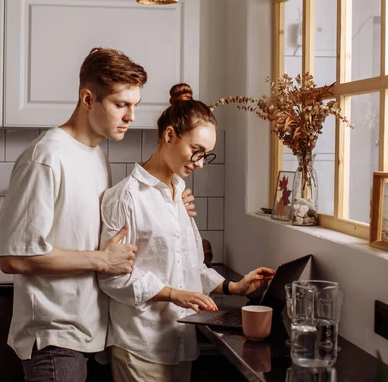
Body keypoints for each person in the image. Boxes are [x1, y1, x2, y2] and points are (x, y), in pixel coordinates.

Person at [0, 48, 197, 382]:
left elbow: (107, 225)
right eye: (121, 105)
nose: (131, 116)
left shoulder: (96, 155)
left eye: (135, 104)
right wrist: (102, 261)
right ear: (88, 99)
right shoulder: (45, 157)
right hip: (54, 338)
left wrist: (171, 205)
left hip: (90, 333)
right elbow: (14, 258)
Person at [99, 83, 276, 382]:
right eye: (196, 152)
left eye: (206, 155)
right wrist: (171, 294)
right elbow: (112, 277)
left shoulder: (178, 193)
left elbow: (189, 268)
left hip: (181, 340)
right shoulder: (126, 197)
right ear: (169, 135)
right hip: (141, 347)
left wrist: (232, 287)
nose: (200, 164)